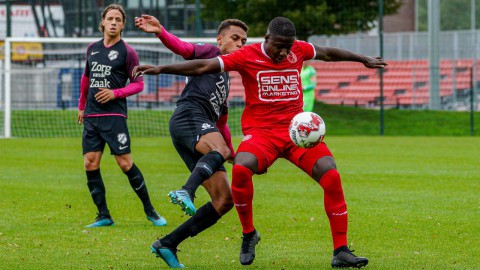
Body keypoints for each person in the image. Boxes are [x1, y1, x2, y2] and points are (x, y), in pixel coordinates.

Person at [133, 17, 387, 268]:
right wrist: (160, 68)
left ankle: (340, 251)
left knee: (331, 175)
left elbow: (327, 53)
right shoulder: (246, 55)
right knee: (242, 168)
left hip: (295, 131)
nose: (284, 52)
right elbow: (202, 66)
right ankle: (248, 234)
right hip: (262, 134)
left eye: (288, 46)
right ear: (267, 39)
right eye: (279, 46)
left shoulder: (297, 49)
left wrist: (361, 58)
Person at [134, 14, 248, 268]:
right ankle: (186, 190)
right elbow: (184, 49)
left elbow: (222, 124)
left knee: (224, 200)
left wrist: (234, 156)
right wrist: (161, 31)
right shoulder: (208, 52)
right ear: (220, 40)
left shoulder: (225, 78)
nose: (240, 43)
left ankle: (168, 244)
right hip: (189, 115)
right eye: (235, 38)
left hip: (202, 126)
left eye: (243, 40)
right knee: (219, 148)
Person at [77, 4, 166, 228]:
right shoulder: (92, 48)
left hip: (114, 116)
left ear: (123, 25)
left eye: (118, 19)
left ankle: (151, 211)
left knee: (125, 164)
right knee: (90, 163)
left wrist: (116, 93)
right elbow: (86, 78)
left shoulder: (128, 52)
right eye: (110, 18)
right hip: (91, 116)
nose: (114, 22)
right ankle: (103, 215)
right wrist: (81, 105)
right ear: (103, 22)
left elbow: (138, 84)